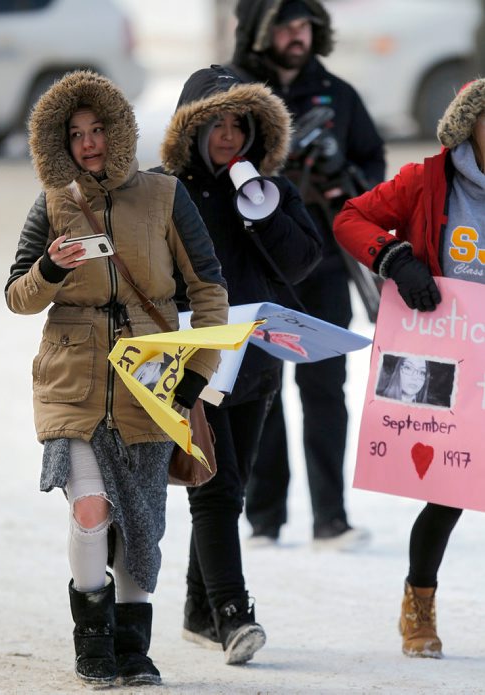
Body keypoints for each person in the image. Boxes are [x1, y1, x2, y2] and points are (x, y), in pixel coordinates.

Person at [4, 70, 229, 687]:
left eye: (98, 129)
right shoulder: (51, 200)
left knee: (142, 522)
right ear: (60, 142)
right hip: (71, 375)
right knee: (91, 511)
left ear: (119, 129)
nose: (88, 143)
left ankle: (133, 647)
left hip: (150, 378)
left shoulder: (164, 196)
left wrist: (196, 373)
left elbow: (209, 290)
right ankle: (93, 643)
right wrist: (49, 268)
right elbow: (17, 297)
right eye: (75, 134)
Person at [157, 64, 322, 663]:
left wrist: (262, 210)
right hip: (196, 360)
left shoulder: (269, 190)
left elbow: (303, 261)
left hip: (256, 362)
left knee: (235, 486)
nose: (228, 136)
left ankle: (198, 610)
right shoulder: (164, 190)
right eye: (215, 124)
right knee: (217, 489)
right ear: (190, 130)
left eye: (239, 124)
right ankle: (232, 613)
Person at [333, 77, 485, 658]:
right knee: (450, 489)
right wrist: (396, 259)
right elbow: (351, 218)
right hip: (442, 353)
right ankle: (419, 603)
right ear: (470, 123)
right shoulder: (428, 179)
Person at [229, 0, 386, 549]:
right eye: (285, 26)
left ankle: (330, 519)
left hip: (321, 268)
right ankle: (264, 519)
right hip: (256, 272)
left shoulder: (339, 95)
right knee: (257, 391)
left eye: (305, 26)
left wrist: (345, 176)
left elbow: (374, 169)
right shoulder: (232, 93)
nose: (297, 36)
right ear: (259, 32)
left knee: (324, 389)